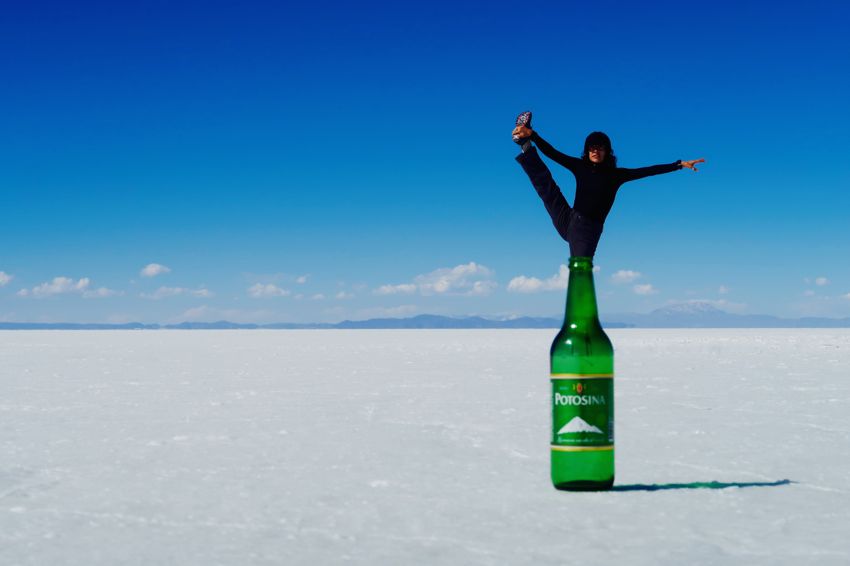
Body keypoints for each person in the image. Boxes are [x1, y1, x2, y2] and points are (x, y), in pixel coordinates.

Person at [512, 111, 705, 258]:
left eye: (600, 148)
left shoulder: (616, 175)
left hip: (587, 231)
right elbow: (553, 153)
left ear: (607, 152)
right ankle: (524, 142)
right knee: (547, 189)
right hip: (569, 218)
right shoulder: (580, 166)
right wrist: (533, 135)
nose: (595, 151)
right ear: (587, 151)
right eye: (591, 148)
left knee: (581, 265)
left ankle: (580, 305)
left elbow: (649, 170)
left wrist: (678, 165)